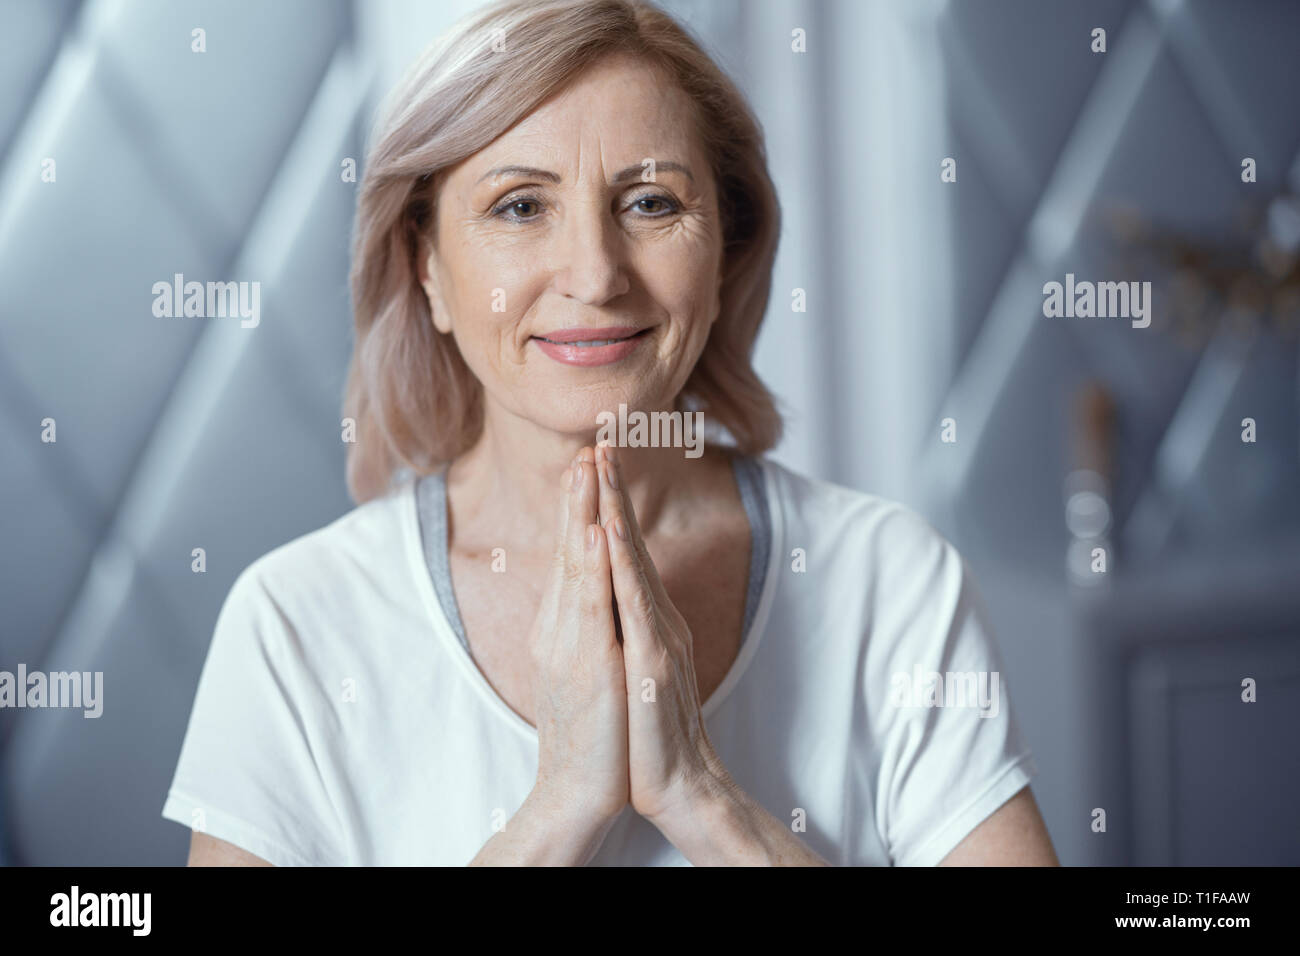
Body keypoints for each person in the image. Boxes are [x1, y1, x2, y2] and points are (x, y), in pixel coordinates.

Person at [161, 0, 1058, 866]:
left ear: (728, 254)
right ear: (425, 265)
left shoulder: (890, 581)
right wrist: (555, 816)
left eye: (651, 203)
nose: (594, 274)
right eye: (519, 206)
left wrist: (702, 797)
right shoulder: (295, 624)